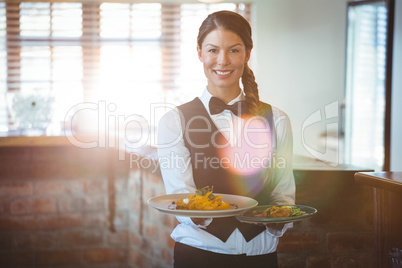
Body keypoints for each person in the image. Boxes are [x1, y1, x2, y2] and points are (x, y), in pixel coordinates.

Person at [157, 10, 295, 268]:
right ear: (199, 53)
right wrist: (204, 215)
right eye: (212, 50)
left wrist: (278, 219)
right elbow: (180, 195)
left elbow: (283, 194)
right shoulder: (173, 121)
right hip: (199, 253)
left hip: (261, 255)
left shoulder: (277, 120)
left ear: (247, 53)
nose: (223, 61)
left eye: (233, 50)